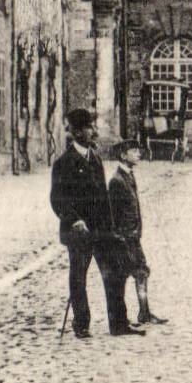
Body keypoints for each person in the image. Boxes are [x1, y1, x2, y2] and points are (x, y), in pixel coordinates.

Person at [49, 108, 144, 339]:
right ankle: (81, 324)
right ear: (77, 132)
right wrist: (74, 220)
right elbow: (57, 199)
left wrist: (111, 229)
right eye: (89, 128)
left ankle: (118, 324)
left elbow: (103, 198)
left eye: (92, 126)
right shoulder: (63, 163)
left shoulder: (95, 159)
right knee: (78, 278)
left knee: (114, 273)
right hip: (79, 232)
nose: (93, 131)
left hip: (101, 230)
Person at [108, 138, 168, 326]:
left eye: (138, 150)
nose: (138, 154)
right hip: (125, 238)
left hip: (133, 236)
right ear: (123, 155)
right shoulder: (116, 181)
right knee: (126, 274)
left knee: (141, 271)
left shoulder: (128, 176)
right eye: (133, 151)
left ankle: (144, 312)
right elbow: (113, 213)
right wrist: (120, 237)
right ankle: (122, 317)